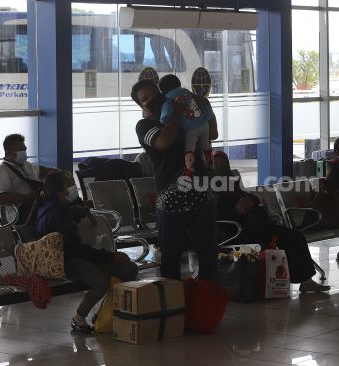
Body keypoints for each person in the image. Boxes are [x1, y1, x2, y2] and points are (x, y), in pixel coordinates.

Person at [131, 79, 218, 281]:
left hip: (201, 195)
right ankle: (173, 305)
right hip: (171, 201)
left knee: (208, 254)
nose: (152, 100)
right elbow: (163, 142)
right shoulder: (145, 125)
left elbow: (212, 132)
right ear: (140, 106)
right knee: (171, 257)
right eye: (145, 99)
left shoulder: (187, 117)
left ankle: (205, 300)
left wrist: (203, 104)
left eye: (154, 94)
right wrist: (176, 113)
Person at [36, 170, 138, 334]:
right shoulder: (57, 213)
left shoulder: (53, 206)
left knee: (128, 269)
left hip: (71, 256)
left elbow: (70, 211)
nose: (72, 185)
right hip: (65, 262)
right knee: (102, 280)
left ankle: (104, 312)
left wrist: (84, 211)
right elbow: (75, 249)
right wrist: (110, 256)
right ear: (60, 190)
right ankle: (79, 318)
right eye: (67, 183)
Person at [212, 151, 329, 293]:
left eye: (223, 162)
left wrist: (250, 202)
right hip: (234, 232)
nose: (220, 165)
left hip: (253, 226)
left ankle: (306, 281)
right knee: (277, 239)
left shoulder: (232, 182)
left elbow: (250, 196)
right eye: (216, 162)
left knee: (294, 236)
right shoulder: (210, 187)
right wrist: (236, 211)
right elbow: (213, 215)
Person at [0, 134, 53, 224]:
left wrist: (58, 172)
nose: (24, 152)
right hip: (18, 212)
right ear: (9, 153)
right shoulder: (1, 171)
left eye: (25, 149)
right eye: (21, 150)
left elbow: (42, 170)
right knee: (53, 212)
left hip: (34, 206)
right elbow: (3, 197)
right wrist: (30, 197)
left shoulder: (26, 165)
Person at [159, 74, 215, 171]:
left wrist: (162, 120)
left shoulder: (169, 100)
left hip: (191, 129)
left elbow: (165, 117)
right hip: (204, 124)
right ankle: (211, 164)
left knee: (189, 149)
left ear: (163, 90)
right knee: (206, 145)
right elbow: (214, 135)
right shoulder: (187, 92)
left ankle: (189, 169)